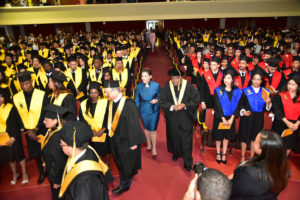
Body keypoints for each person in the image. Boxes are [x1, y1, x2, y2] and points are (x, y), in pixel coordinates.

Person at [103, 80, 146, 195]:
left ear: (114, 91)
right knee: (119, 161)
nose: (106, 95)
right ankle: (128, 175)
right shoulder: (111, 103)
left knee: (126, 163)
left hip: (126, 141)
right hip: (115, 139)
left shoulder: (128, 104)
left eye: (107, 93)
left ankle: (124, 185)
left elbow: (134, 124)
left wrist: (134, 143)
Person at [59, 121, 112, 200]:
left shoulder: (86, 182)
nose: (60, 146)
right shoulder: (88, 150)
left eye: (62, 144)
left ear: (73, 147)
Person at [158, 68, 200, 171]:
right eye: (173, 78)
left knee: (186, 139)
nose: (175, 81)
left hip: (185, 117)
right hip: (172, 117)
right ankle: (176, 153)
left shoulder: (188, 86)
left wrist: (185, 105)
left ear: (181, 77)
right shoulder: (168, 86)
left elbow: (196, 99)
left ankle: (187, 162)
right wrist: (172, 107)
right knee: (174, 136)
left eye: (177, 78)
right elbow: (161, 101)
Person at [12, 70, 49, 184]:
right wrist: (27, 130)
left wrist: (37, 128)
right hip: (28, 132)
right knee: (37, 154)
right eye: (22, 84)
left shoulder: (41, 94)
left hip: (42, 128)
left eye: (27, 83)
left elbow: (46, 112)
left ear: (31, 81)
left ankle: (50, 169)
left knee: (46, 151)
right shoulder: (16, 97)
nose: (25, 86)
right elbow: (17, 116)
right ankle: (42, 172)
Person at [230, 130, 290, 200]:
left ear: (262, 149)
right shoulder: (283, 167)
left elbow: (232, 191)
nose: (253, 142)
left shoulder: (248, 173)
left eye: (255, 141)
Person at [238, 67, 272, 162]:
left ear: (261, 81)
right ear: (251, 80)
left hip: (259, 117)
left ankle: (251, 156)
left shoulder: (266, 92)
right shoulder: (245, 90)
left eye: (258, 79)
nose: (256, 81)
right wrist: (243, 111)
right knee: (244, 136)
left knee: (255, 137)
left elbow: (267, 108)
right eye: (254, 79)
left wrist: (268, 103)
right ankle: (243, 156)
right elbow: (240, 104)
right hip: (247, 116)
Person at [212, 68, 243, 164]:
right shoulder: (218, 90)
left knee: (227, 137)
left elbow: (238, 106)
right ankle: (218, 152)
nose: (226, 80)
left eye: (229, 78)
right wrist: (223, 119)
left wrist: (231, 119)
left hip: (231, 118)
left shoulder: (238, 91)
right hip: (220, 117)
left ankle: (224, 153)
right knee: (218, 136)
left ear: (232, 79)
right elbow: (217, 105)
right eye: (225, 77)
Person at [0, 89, 28, 185]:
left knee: (19, 154)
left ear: (4, 97)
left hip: (13, 135)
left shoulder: (10, 108)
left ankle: (24, 174)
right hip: (2, 138)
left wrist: (13, 137)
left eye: (1, 96)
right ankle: (15, 174)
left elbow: (14, 124)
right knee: (9, 157)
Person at [79, 82, 111, 166]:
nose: (93, 95)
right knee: (95, 149)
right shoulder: (84, 104)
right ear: (88, 93)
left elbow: (108, 116)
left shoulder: (105, 102)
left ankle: (107, 163)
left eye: (95, 93)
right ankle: (99, 163)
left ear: (99, 93)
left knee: (106, 148)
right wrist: (91, 131)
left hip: (104, 131)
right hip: (91, 132)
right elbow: (82, 120)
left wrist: (103, 129)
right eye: (91, 93)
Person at [41, 104, 68, 200]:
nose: (43, 122)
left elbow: (60, 161)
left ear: (55, 120)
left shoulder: (57, 137)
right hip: (53, 172)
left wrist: (57, 180)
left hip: (58, 175)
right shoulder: (52, 131)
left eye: (46, 120)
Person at [272, 72, 300, 156]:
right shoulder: (280, 95)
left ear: (298, 86)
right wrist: (288, 123)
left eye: (293, 84)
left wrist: (297, 124)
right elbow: (277, 111)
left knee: (288, 145)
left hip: (294, 126)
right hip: (281, 123)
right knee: (277, 145)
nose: (290, 86)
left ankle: (283, 163)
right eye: (289, 84)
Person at [135, 68, 161, 158]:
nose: (143, 78)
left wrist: (157, 100)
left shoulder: (156, 85)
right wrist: (136, 112)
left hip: (154, 110)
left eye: (146, 76)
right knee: (146, 129)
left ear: (150, 76)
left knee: (153, 129)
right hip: (144, 110)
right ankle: (148, 144)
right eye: (142, 76)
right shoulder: (138, 87)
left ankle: (154, 148)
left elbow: (161, 97)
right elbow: (137, 100)